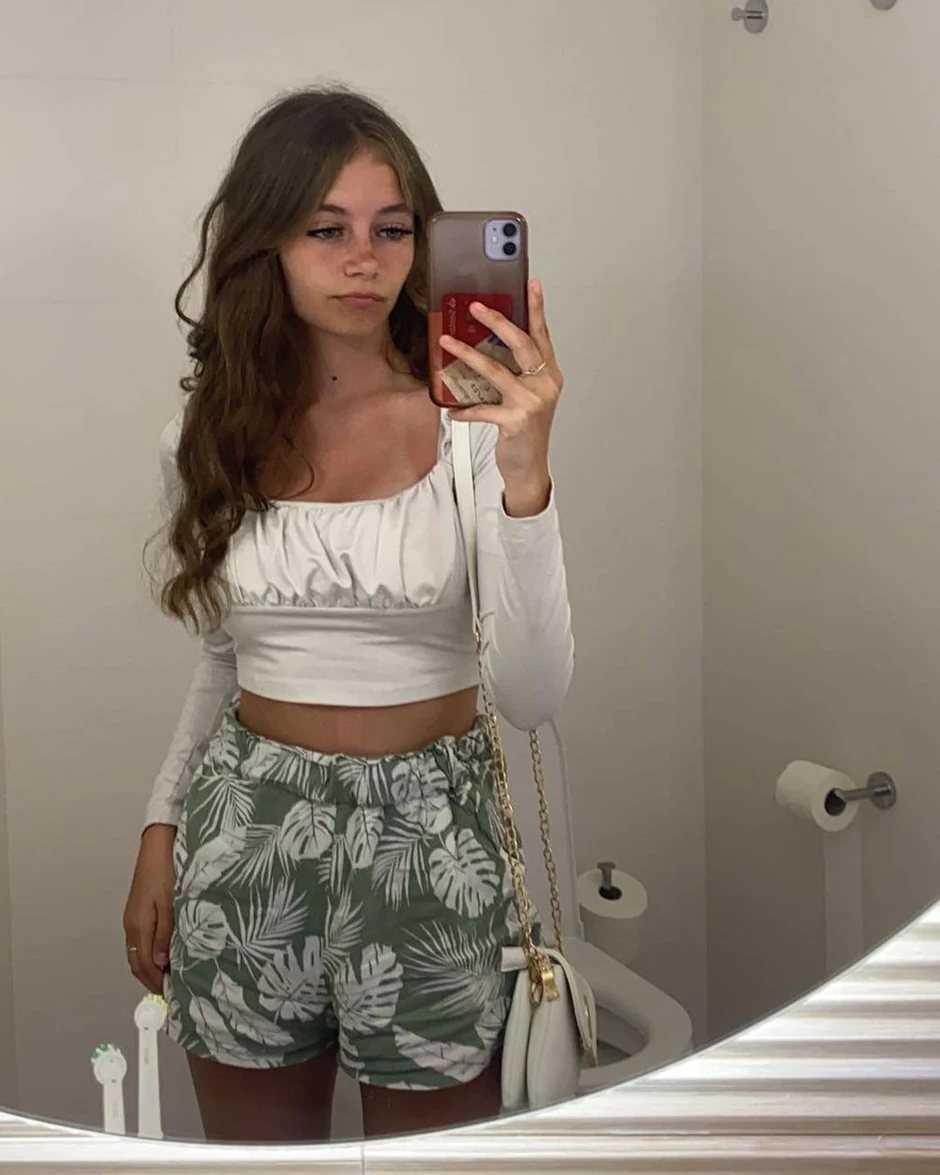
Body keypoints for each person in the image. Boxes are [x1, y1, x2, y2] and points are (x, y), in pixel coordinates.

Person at [122, 85, 573, 1143]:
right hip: (245, 827)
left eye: (392, 229)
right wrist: (159, 825)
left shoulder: (474, 428)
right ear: (268, 244)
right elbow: (224, 660)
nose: (364, 260)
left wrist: (527, 473)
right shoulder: (208, 433)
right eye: (326, 230)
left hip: (431, 833)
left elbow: (530, 693)